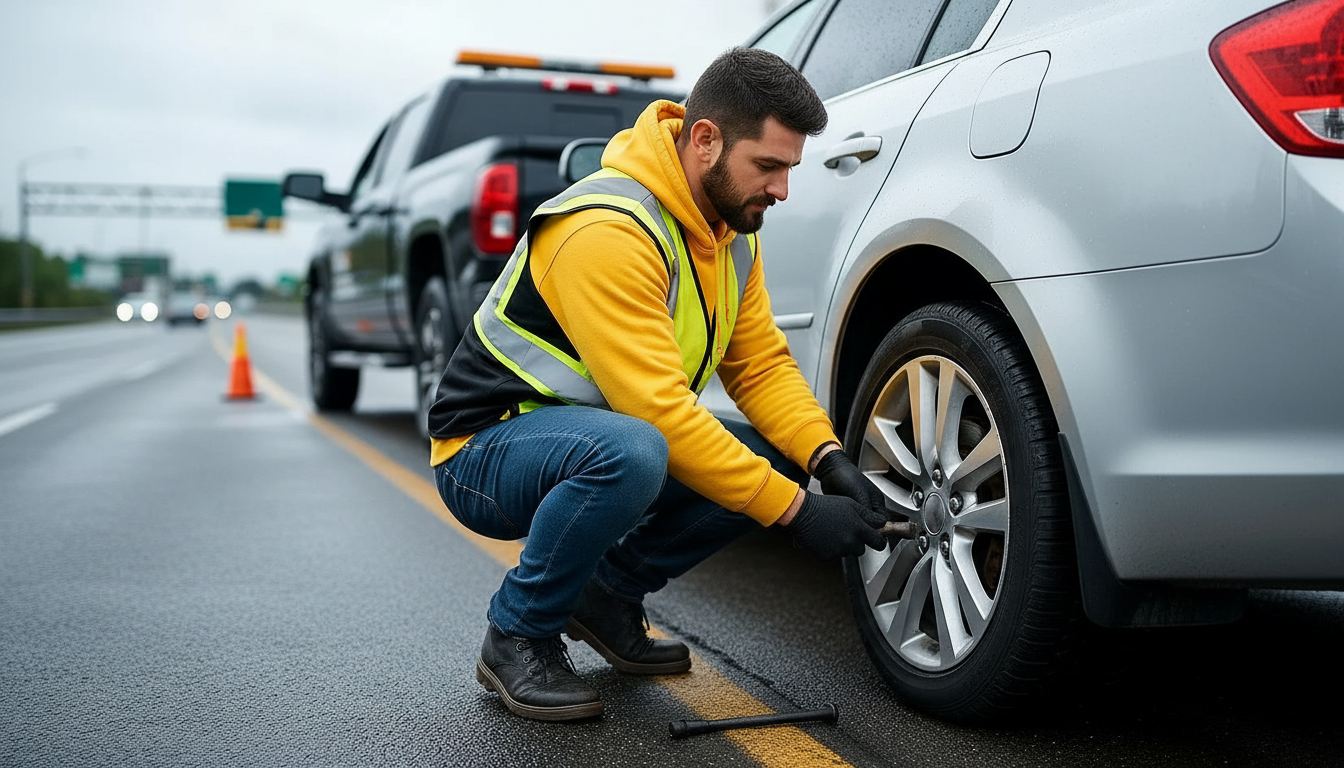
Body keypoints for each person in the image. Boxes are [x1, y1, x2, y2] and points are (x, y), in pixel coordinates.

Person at [427, 47, 889, 722]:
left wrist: (828, 460)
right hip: (483, 451)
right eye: (768, 166)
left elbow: (758, 365)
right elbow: (662, 415)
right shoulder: (606, 230)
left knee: (771, 456)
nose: (782, 190)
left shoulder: (728, 233)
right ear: (705, 141)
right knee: (635, 451)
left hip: (592, 437)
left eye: (789, 169)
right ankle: (518, 632)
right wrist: (798, 513)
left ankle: (607, 598)